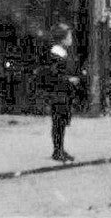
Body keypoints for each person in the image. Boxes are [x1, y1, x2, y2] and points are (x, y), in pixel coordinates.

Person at [44, 23, 81, 163]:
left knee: (63, 122)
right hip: (58, 93)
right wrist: (69, 80)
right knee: (58, 122)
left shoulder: (64, 52)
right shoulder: (55, 53)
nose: (71, 38)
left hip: (65, 93)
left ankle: (61, 148)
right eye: (69, 36)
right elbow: (53, 75)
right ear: (63, 38)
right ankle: (57, 150)